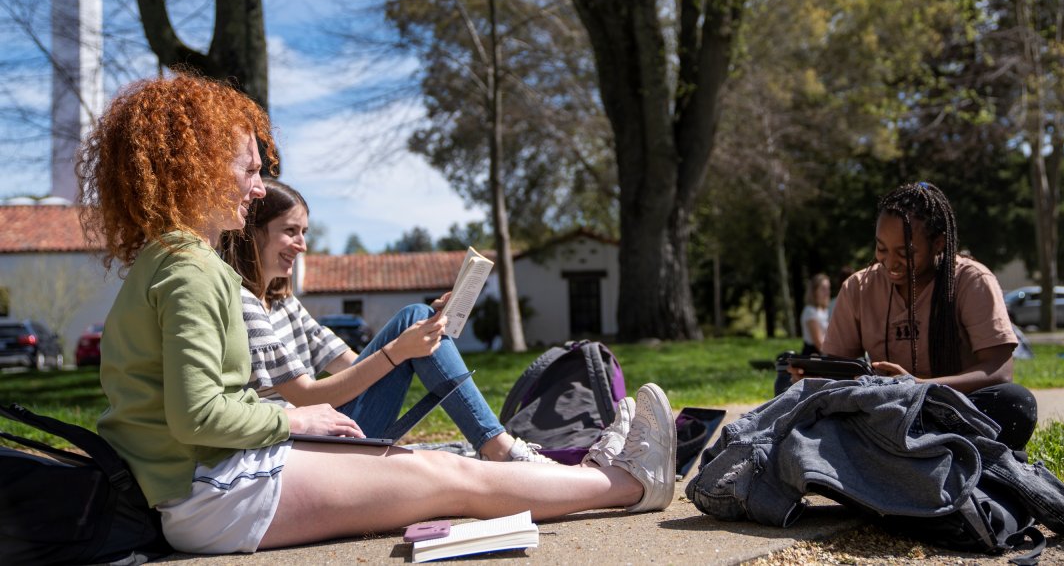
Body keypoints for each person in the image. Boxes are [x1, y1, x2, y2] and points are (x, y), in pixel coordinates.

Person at [79, 74, 676, 555]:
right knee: (446, 479)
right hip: (217, 497)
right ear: (198, 168)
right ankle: (625, 484)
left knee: (433, 467)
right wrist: (297, 420)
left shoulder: (165, 260)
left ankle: (593, 473)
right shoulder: (194, 269)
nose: (259, 187)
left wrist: (381, 361)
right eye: (250, 169)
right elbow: (197, 416)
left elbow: (183, 408)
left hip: (204, 487)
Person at [220, 179, 545, 463]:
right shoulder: (244, 304)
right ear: (253, 234)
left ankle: (496, 445)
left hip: (326, 437)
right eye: (290, 231)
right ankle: (499, 448)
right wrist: (398, 351)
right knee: (412, 318)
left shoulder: (283, 303)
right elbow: (306, 397)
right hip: (302, 450)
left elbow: (356, 369)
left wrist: (418, 337)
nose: (302, 245)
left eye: (303, 232)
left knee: (415, 317)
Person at [787, 181, 1037, 451]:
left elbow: (1000, 371)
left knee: (1015, 403)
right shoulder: (858, 287)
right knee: (792, 394)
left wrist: (918, 386)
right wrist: (816, 380)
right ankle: (918, 450)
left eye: (905, 253)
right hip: (884, 410)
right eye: (881, 248)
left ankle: (908, 450)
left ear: (938, 243)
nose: (890, 263)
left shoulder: (971, 280)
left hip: (951, 411)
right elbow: (839, 368)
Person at [800, 273, 831, 354]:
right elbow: (818, 343)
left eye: (828, 288)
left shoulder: (824, 310)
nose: (827, 292)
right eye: (823, 289)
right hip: (813, 355)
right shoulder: (810, 311)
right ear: (815, 291)